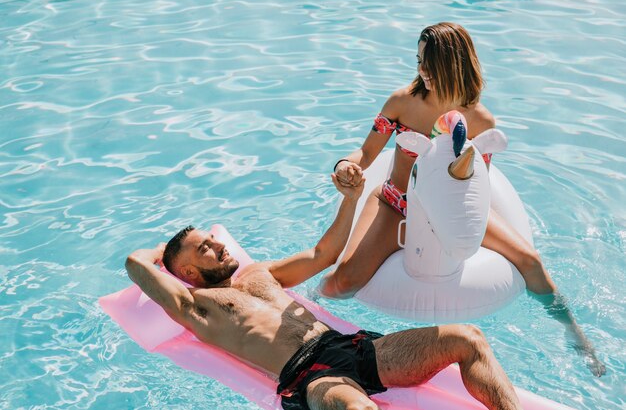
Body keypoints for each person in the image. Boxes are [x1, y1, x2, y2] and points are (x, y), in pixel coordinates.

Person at [320, 21, 605, 377]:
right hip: (397, 204)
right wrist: (346, 166)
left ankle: (579, 341)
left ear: (454, 63)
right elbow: (366, 152)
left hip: (452, 215)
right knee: (342, 281)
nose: (421, 70)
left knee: (530, 262)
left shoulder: (480, 120)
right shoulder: (402, 103)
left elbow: (471, 185)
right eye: (419, 60)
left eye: (429, 62)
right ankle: (314, 332)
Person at [125, 175, 523, 410]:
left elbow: (323, 254)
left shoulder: (260, 274)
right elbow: (133, 264)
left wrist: (350, 199)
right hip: (308, 376)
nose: (217, 244)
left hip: (353, 348)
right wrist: (163, 254)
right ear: (189, 272)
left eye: (212, 237)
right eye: (203, 248)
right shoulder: (197, 307)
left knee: (466, 338)